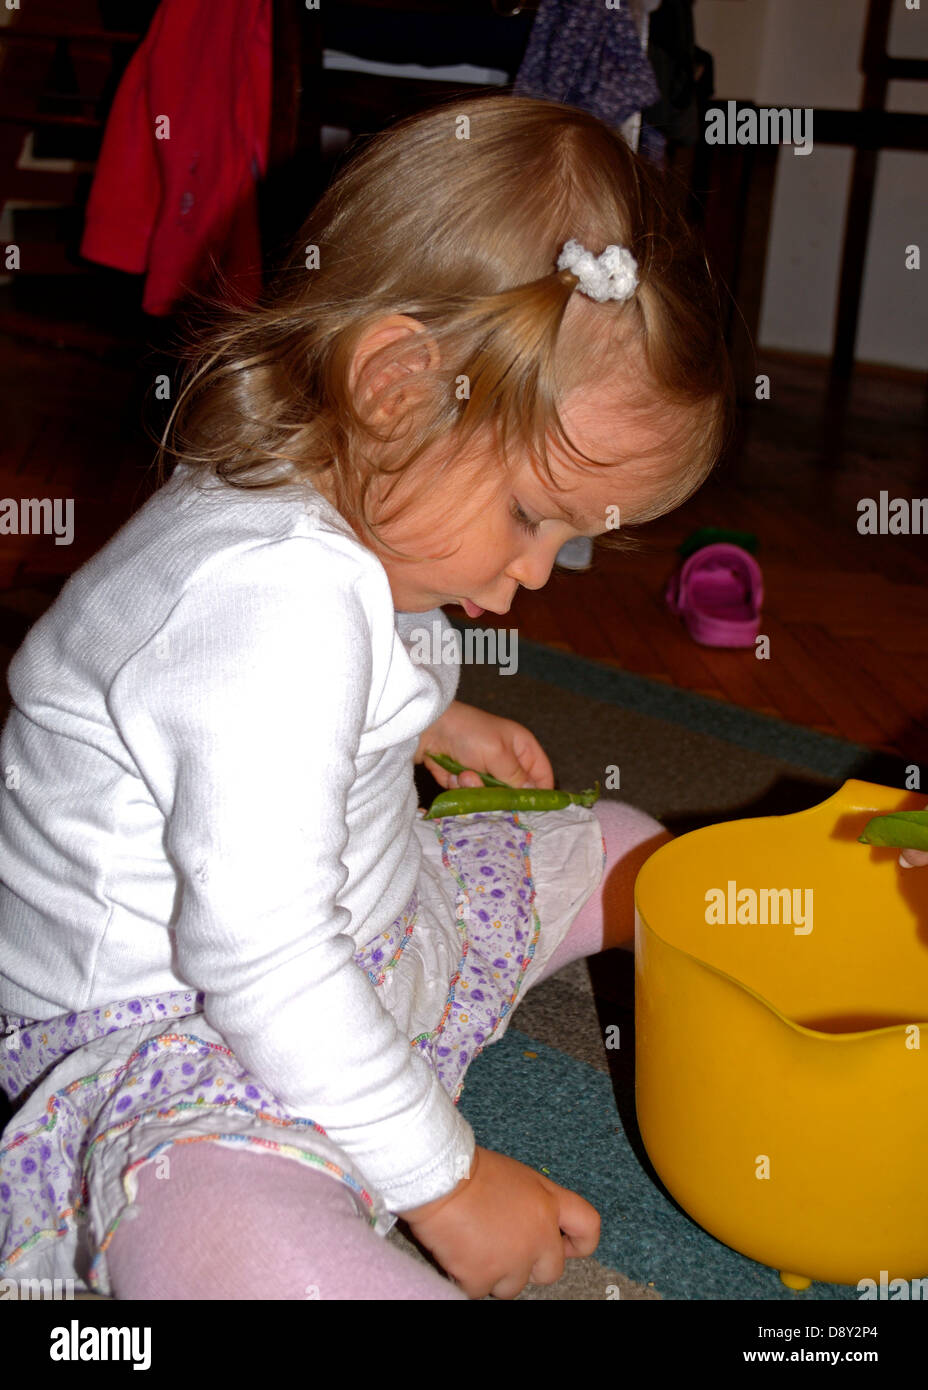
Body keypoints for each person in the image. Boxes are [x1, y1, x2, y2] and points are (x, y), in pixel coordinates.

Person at [0, 93, 734, 1301]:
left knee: (631, 856)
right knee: (223, 1228)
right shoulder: (264, 606)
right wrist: (445, 1183)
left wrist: (421, 713)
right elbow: (264, 954)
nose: (539, 573)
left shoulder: (325, 479)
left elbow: (285, 688)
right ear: (397, 386)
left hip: (375, 913)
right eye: (529, 516)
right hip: (184, 1021)